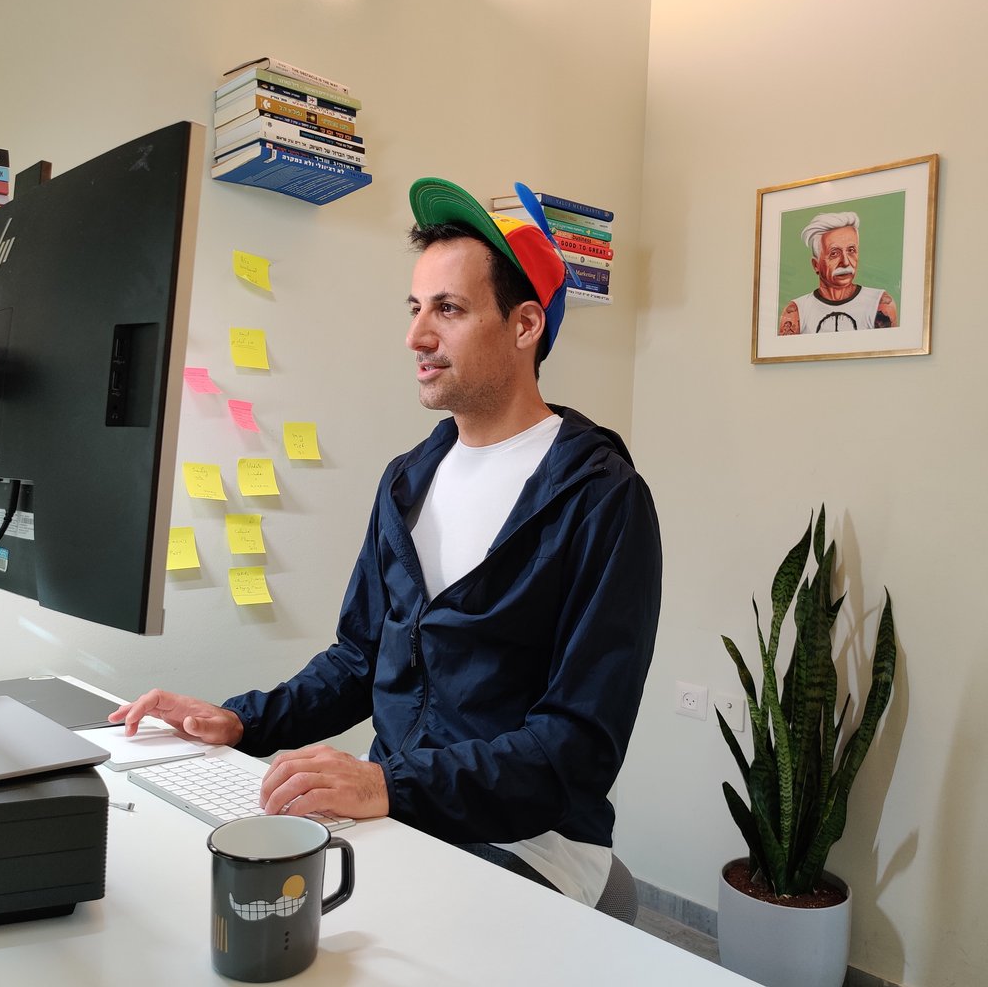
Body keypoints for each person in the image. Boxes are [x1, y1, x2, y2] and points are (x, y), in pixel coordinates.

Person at [111, 178, 662, 906]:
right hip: (401, 811)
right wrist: (243, 719)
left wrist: (383, 783)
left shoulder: (602, 497)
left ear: (525, 326)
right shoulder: (409, 479)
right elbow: (359, 658)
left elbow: (577, 749)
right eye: (415, 308)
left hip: (532, 841)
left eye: (449, 310)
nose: (416, 336)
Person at [778, 211, 898, 335]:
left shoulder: (879, 303)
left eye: (851, 250)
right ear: (816, 265)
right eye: (834, 253)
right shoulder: (797, 311)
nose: (845, 262)